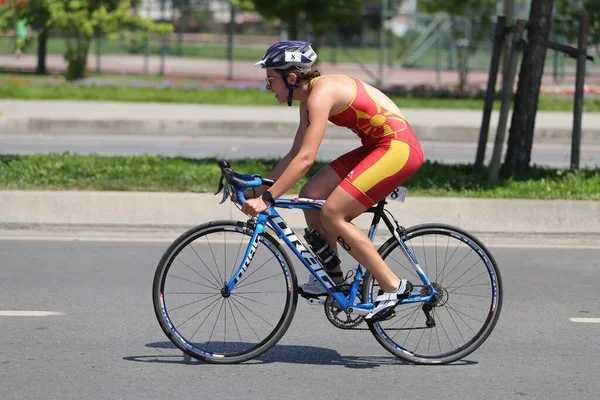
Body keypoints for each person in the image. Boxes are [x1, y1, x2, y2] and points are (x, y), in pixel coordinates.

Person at [241, 41, 424, 321]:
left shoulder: (320, 95)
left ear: (292, 78)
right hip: (378, 146)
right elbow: (294, 154)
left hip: (398, 148)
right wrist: (257, 188)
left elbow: (305, 160)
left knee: (332, 213)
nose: (267, 87)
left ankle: (393, 286)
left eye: (270, 79)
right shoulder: (308, 99)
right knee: (311, 195)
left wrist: (267, 199)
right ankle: (335, 281)